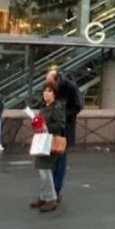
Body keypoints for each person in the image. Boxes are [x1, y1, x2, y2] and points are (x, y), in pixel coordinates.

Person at [31, 84, 66, 213]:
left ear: (54, 94)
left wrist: (45, 127)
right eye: (45, 91)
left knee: (46, 170)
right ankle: (43, 196)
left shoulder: (57, 107)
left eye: (49, 91)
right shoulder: (43, 106)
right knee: (42, 170)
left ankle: (51, 198)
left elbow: (60, 125)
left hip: (49, 141)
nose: (46, 94)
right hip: (42, 140)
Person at [49, 69, 82, 202]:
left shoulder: (70, 88)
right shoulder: (53, 88)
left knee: (60, 161)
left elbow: (77, 106)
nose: (48, 85)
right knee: (50, 161)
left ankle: (55, 191)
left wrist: (62, 116)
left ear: (56, 79)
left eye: (50, 81)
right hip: (53, 128)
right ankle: (49, 191)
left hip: (64, 129)